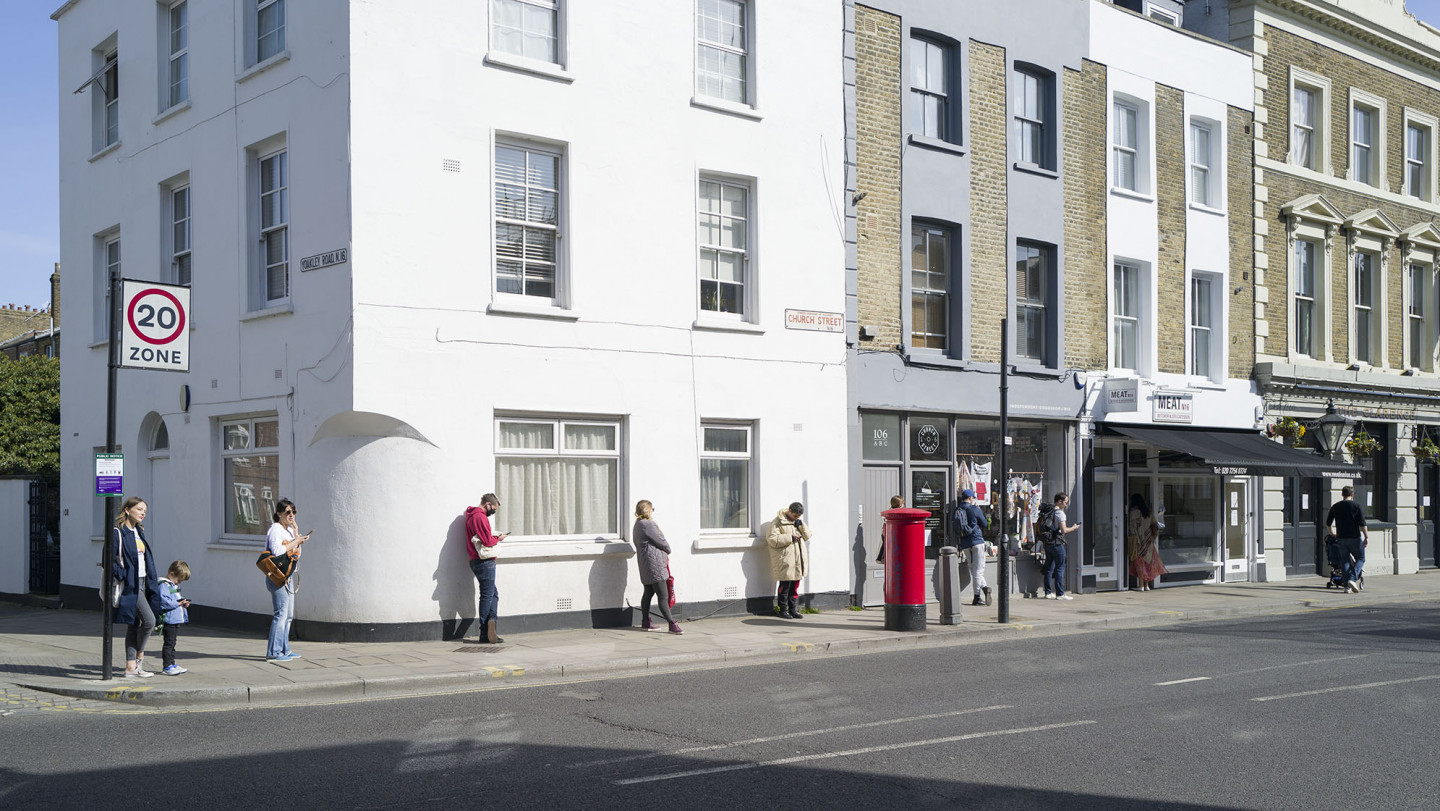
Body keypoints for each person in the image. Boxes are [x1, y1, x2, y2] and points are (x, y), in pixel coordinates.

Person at [111, 496, 162, 678]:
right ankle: (139, 658)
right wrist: (124, 575)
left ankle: (130, 668)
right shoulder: (118, 532)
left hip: (143, 581)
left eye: (145, 511)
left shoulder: (139, 531)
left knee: (134, 625)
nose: (143, 513)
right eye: (139, 509)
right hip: (130, 584)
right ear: (127, 510)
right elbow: (108, 560)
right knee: (149, 621)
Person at [265, 498, 310, 662]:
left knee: (288, 615)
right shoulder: (275, 529)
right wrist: (296, 541)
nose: (292, 515)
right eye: (288, 512)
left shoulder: (289, 530)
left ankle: (285, 649)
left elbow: (297, 554)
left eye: (294, 512)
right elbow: (277, 552)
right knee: (281, 614)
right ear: (279, 514)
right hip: (278, 576)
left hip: (288, 576)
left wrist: (297, 535)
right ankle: (274, 652)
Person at [632, 500, 682, 634]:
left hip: (645, 563)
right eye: (652, 509)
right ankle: (672, 624)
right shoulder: (648, 524)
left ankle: (645, 622)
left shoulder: (637, 524)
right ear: (647, 510)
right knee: (663, 596)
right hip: (655, 564)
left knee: (648, 592)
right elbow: (661, 541)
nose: (653, 511)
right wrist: (668, 549)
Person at [465, 493, 508, 643]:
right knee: (487, 595)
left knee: (492, 594)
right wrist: (498, 538)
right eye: (493, 509)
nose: (493, 512)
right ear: (488, 505)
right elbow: (487, 541)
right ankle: (485, 631)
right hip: (485, 562)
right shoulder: (479, 517)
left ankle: (491, 624)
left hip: (475, 561)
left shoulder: (471, 515)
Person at [767, 501, 813, 619]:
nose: (796, 518)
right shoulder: (777, 522)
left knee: (795, 587)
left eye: (799, 516)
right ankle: (782, 610)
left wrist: (801, 525)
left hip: (798, 560)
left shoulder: (797, 522)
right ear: (789, 510)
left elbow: (808, 536)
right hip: (786, 559)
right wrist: (790, 538)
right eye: (795, 516)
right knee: (785, 586)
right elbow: (772, 539)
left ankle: (793, 610)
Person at [1326, 485, 1369, 593]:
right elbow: (1362, 524)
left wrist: (1332, 533)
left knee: (1344, 561)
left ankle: (1347, 587)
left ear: (1342, 494)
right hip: (1354, 537)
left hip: (1341, 538)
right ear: (1352, 494)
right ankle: (1352, 579)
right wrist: (1366, 536)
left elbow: (1328, 523)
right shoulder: (1357, 506)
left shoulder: (1335, 506)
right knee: (1361, 558)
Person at [954, 489, 991, 606]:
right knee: (978, 571)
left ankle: (985, 588)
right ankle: (977, 597)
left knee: (973, 569)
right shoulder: (974, 509)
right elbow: (985, 524)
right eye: (973, 498)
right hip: (977, 542)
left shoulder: (957, 510)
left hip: (965, 543)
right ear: (970, 498)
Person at [1041, 493, 1080, 601]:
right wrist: (1073, 528)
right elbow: (1064, 530)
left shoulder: (1048, 511)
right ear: (1059, 501)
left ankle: (1048, 592)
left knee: (1049, 568)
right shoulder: (1060, 514)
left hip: (1047, 543)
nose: (1066, 504)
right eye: (1065, 502)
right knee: (1060, 568)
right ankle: (1060, 593)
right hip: (1057, 544)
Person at [156, 560, 192, 676]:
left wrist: (183, 602)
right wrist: (178, 603)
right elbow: (164, 602)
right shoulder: (164, 585)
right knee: (169, 643)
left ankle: (172, 663)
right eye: (179, 580)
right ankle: (167, 666)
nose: (179, 583)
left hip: (176, 619)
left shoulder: (173, 585)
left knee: (173, 643)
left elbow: (176, 599)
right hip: (170, 620)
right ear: (171, 574)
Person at [1127, 494, 1167, 591]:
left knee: (1139, 563)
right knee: (1148, 562)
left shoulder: (1133, 513)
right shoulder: (1148, 512)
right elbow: (1155, 525)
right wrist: (1153, 536)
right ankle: (1146, 585)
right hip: (1149, 541)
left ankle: (1140, 585)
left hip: (1138, 541)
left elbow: (1131, 527)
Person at [875, 495, 904, 564]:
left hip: (886, 534)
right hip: (893, 536)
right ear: (900, 504)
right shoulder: (899, 513)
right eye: (903, 503)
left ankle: (881, 558)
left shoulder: (888, 513)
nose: (903, 504)